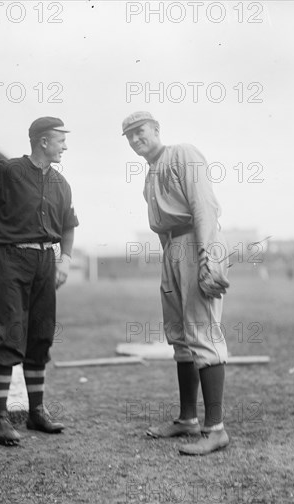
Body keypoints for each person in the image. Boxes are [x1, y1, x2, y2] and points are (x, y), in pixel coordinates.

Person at [0, 117, 79, 446]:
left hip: (44, 262)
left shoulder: (61, 184)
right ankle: (1, 419)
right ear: (43, 142)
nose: (65, 145)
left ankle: (36, 413)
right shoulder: (5, 171)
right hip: (8, 259)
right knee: (10, 335)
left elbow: (68, 225)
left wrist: (64, 259)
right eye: (60, 140)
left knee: (40, 335)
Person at [122, 111, 230, 455]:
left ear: (156, 129)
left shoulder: (182, 153)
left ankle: (216, 430)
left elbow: (204, 207)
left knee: (203, 331)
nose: (136, 139)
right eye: (130, 136)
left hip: (194, 242)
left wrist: (207, 258)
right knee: (179, 335)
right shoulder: (149, 176)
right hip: (172, 249)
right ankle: (187, 419)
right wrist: (171, 261)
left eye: (141, 131)